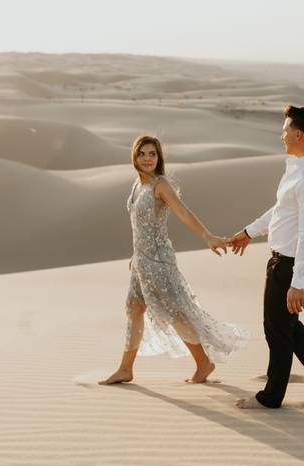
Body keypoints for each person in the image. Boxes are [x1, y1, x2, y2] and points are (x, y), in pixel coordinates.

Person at [100, 135, 248, 386]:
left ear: (159, 158)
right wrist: (134, 255)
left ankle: (203, 362)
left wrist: (207, 236)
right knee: (134, 309)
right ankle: (125, 369)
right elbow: (140, 226)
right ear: (134, 157)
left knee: (176, 313)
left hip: (158, 261)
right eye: (142, 154)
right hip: (141, 261)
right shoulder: (137, 186)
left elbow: (183, 212)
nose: (147, 159)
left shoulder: (161, 185)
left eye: (152, 154)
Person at [228, 106, 304, 409]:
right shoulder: (298, 170)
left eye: (284, 131)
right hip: (285, 261)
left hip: (293, 264)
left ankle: (271, 397)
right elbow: (280, 211)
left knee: (276, 329)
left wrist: (297, 284)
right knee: (288, 327)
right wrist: (248, 232)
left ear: (298, 135)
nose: (281, 136)